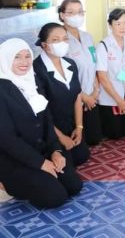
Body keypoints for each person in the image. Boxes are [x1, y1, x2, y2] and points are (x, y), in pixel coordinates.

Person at [0, 38, 83, 208]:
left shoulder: (33, 81)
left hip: (42, 150)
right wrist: (41, 164)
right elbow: (7, 139)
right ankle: (7, 184)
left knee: (74, 186)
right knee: (54, 197)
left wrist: (56, 151)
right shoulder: (2, 90)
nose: (24, 62)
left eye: (27, 56)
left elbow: (47, 121)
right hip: (15, 159)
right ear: (5, 59)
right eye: (17, 57)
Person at [33, 23, 90, 166]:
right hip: (49, 127)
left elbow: (77, 96)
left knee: (82, 156)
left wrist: (79, 127)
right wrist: (61, 137)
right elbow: (42, 111)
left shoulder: (70, 64)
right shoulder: (37, 69)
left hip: (69, 123)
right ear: (44, 45)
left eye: (65, 39)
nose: (62, 43)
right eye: (56, 40)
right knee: (66, 165)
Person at [58, 0, 102, 146]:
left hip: (92, 97)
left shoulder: (87, 37)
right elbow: (63, 76)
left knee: (95, 139)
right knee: (80, 145)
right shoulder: (60, 41)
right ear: (62, 15)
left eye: (79, 12)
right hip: (75, 99)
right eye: (71, 12)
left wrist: (95, 91)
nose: (76, 16)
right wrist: (84, 97)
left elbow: (93, 65)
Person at [96, 9, 125, 140]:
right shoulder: (103, 46)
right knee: (114, 135)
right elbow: (102, 77)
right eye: (118, 24)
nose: (123, 27)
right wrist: (119, 101)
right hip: (110, 98)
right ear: (110, 25)